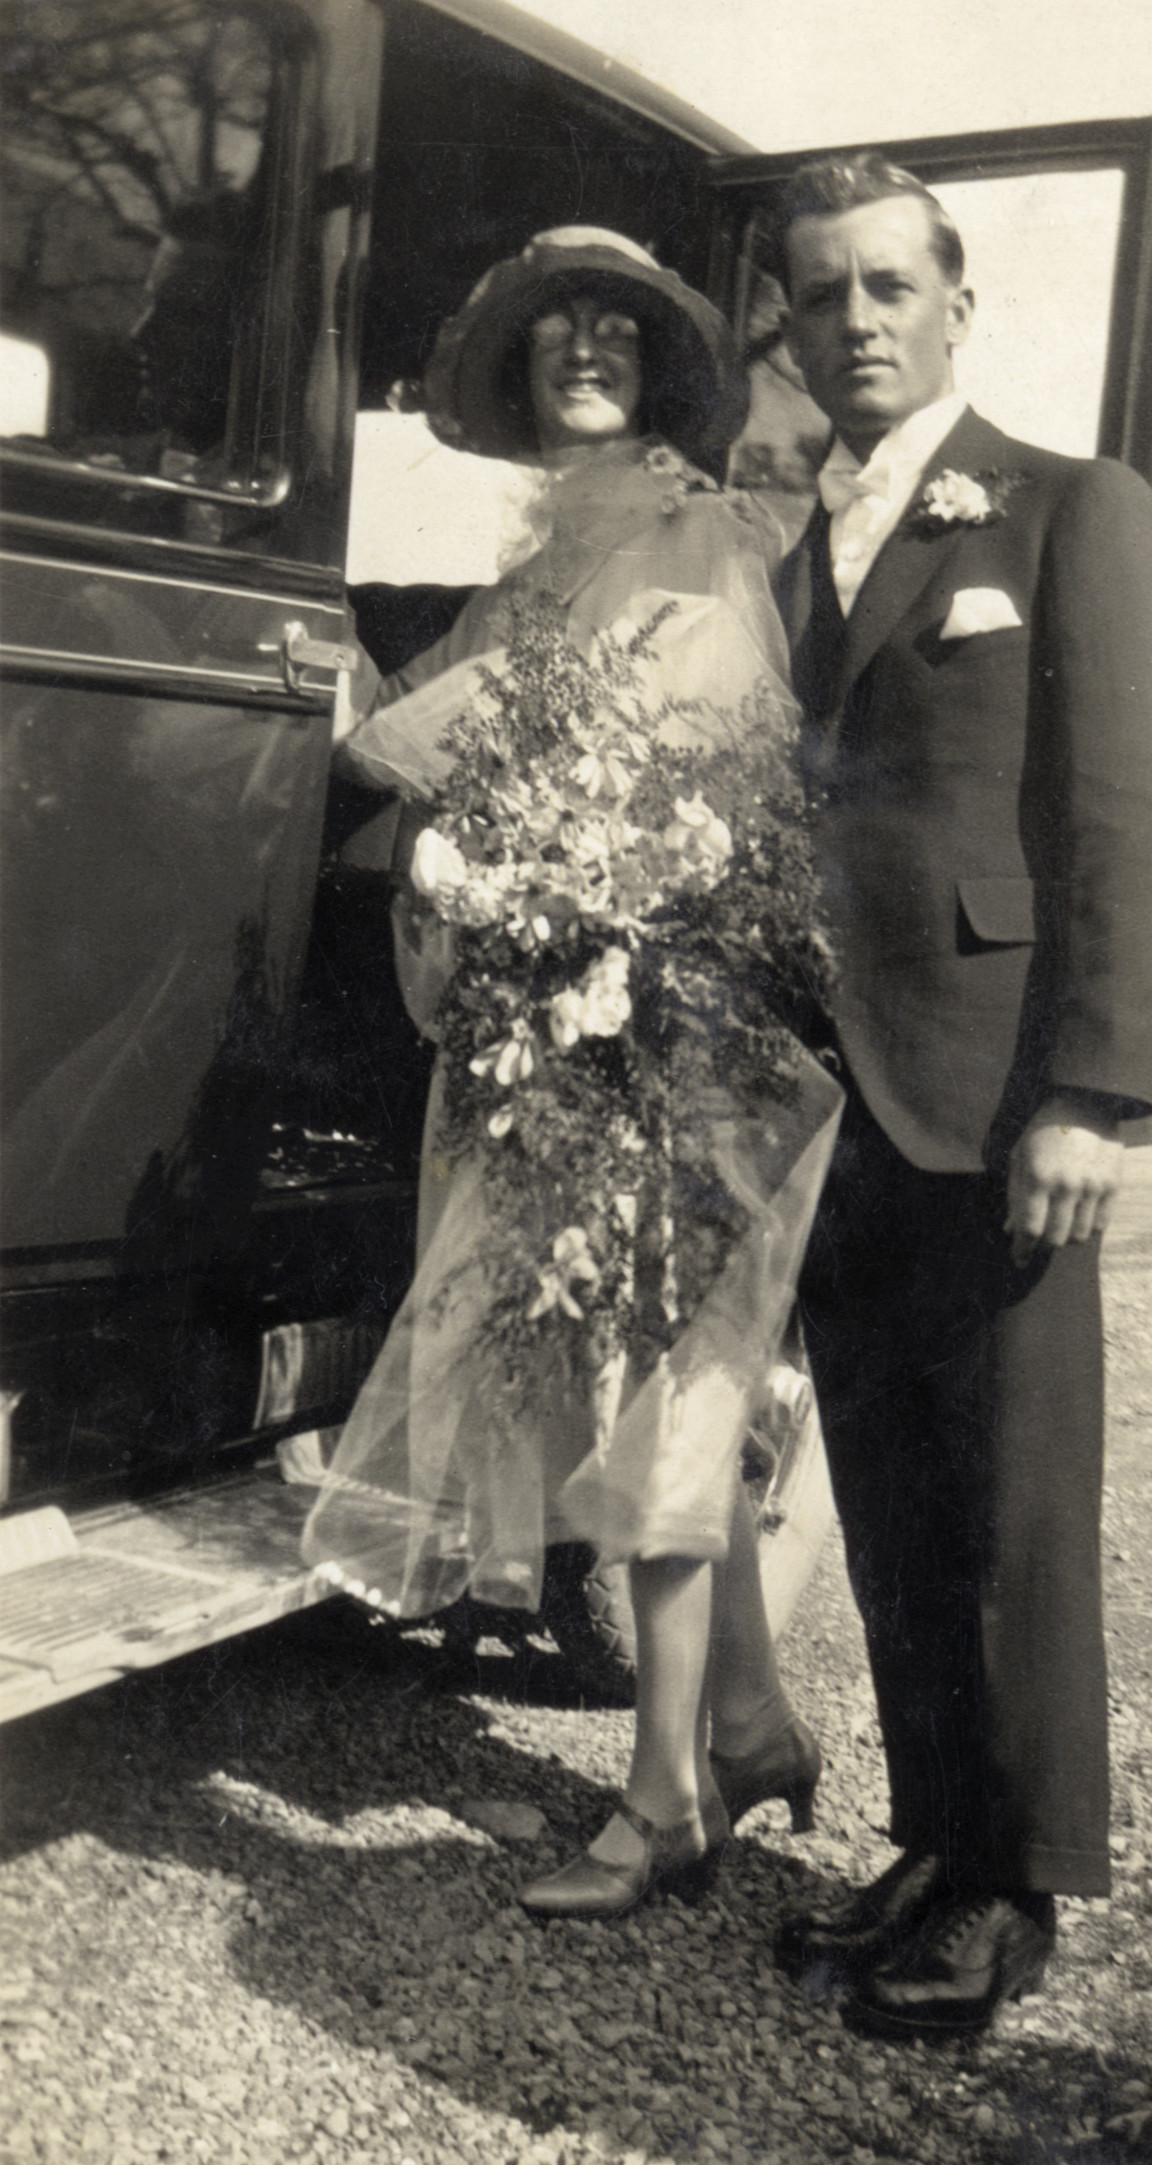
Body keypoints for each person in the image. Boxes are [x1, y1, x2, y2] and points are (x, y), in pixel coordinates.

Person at [303, 229, 837, 1920]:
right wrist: (348, 690)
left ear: (663, 370)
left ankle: (669, 1799)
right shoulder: (534, 551)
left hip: (639, 1017)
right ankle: (742, 1725)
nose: (583, 352)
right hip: (541, 1008)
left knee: (652, 1393)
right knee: (616, 1388)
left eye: (616, 331)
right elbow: (461, 731)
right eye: (556, 335)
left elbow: (716, 772)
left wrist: (572, 920)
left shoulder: (692, 529)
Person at [769, 156, 1152, 2036]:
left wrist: (1096, 1091)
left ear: (959, 303)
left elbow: (1134, 807)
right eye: (820, 296)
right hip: (834, 1105)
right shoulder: (799, 547)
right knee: (887, 1496)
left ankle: (1024, 1883)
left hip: (998, 1092)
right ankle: (943, 1837)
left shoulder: (1067, 510)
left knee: (1016, 1505)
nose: (855, 320)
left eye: (888, 285)